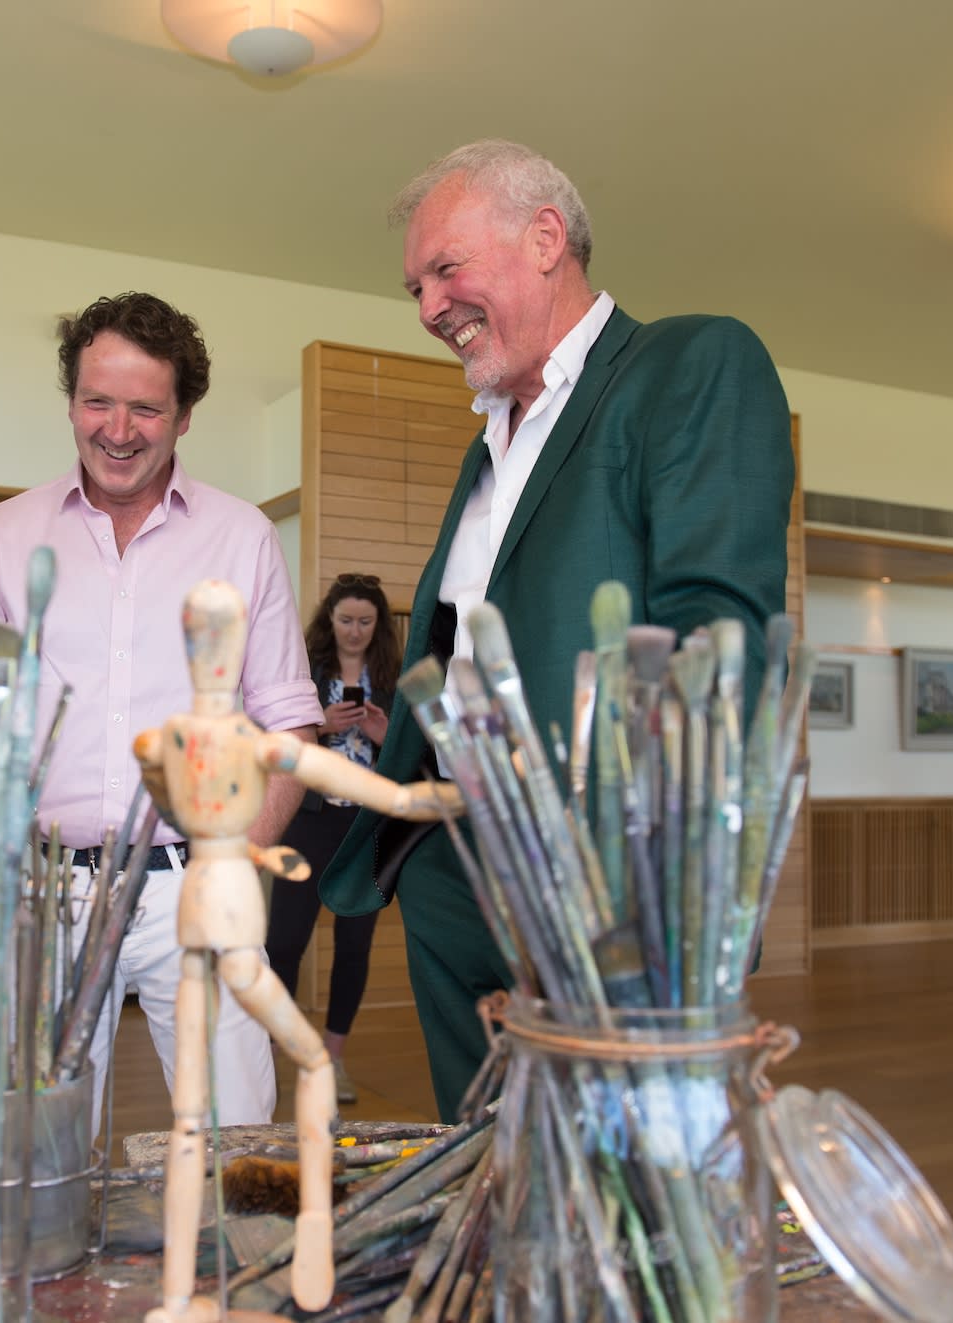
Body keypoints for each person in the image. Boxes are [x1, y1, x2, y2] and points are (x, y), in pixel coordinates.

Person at [319, 141, 794, 1116]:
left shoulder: (687, 365)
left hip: (601, 877)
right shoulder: (487, 442)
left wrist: (664, 888)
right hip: (448, 856)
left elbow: (720, 637)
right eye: (414, 286)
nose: (425, 307)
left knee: (620, 1172)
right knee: (486, 1150)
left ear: (546, 239)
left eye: (446, 269)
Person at [0, 291, 323, 1124]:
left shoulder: (241, 536)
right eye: (97, 401)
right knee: (44, 1156)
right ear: (72, 399)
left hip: (189, 879)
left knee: (239, 1149)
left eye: (146, 408)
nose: (117, 430)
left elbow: (290, 726)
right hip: (43, 893)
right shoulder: (6, 536)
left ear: (184, 415)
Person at [264, 573, 399, 1105]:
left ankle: (335, 1058)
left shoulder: (390, 678)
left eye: (366, 622)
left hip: (365, 825)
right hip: (309, 818)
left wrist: (386, 738)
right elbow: (274, 747)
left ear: (378, 626)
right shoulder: (306, 674)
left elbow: (414, 759)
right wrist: (317, 729)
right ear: (330, 620)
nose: (355, 630)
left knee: (354, 946)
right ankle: (273, 1053)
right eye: (346, 620)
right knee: (284, 942)